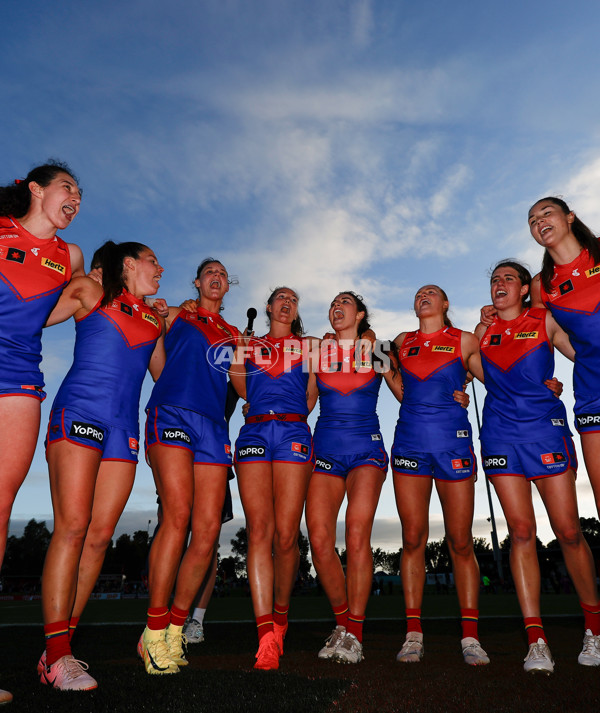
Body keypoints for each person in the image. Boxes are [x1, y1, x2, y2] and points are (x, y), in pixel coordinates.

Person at [39, 241, 165, 691]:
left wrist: (176, 322)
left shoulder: (152, 318)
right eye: (154, 261)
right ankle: (58, 656)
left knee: (97, 539)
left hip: (122, 429)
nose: (161, 268)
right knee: (72, 527)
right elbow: (30, 316)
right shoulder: (90, 293)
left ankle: (59, 650)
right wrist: (70, 280)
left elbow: (165, 378)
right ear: (129, 264)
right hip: (79, 414)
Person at [476, 259, 600, 671]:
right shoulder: (483, 330)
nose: (500, 283)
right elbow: (468, 374)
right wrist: (459, 395)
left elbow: (583, 350)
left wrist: (556, 383)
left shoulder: (544, 318)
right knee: (521, 532)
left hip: (544, 430)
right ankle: (536, 640)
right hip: (499, 434)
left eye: (509, 278)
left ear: (525, 289)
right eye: (495, 279)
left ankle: (594, 629)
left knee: (567, 530)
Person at [0, 162, 84, 704]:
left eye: (79, 193)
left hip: (20, 380)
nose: (75, 197)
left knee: (1, 508)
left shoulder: (70, 257)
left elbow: (50, 310)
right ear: (35, 189)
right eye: (66, 187)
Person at [140, 259, 240, 676]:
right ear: (198, 283)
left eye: (222, 274)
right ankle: (153, 630)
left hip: (213, 427)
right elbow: (146, 343)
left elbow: (245, 385)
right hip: (173, 414)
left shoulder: (235, 335)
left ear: (226, 287)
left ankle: (176, 629)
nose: (216, 277)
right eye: (209, 273)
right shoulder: (177, 313)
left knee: (209, 532)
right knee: (177, 518)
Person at [392, 285, 489, 666]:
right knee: (413, 538)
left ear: (445, 304)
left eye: (432, 293)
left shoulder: (464, 339)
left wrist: (546, 386)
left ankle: (470, 636)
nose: (424, 296)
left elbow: (495, 377)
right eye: (418, 293)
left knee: (461, 542)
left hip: (453, 444)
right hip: (410, 445)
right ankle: (413, 634)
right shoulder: (401, 340)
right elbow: (373, 356)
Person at [306, 292, 404, 664]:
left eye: (344, 302)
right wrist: (264, 404)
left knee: (357, 533)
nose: (336, 306)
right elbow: (306, 403)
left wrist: (456, 392)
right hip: (326, 452)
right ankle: (343, 622)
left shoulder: (376, 348)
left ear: (359, 314)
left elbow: (404, 394)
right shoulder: (319, 352)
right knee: (318, 539)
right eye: (332, 302)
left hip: (366, 451)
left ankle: (356, 635)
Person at [230, 287, 318, 671]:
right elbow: (241, 386)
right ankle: (266, 635)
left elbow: (312, 395)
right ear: (268, 307)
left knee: (286, 535)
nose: (286, 302)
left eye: (293, 299)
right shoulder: (251, 345)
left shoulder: (309, 346)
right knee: (259, 531)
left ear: (295, 310)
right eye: (280, 298)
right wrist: (239, 350)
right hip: (254, 432)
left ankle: (281, 617)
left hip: (293, 433)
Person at [528, 198, 600, 527]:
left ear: (569, 217)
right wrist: (582, 357)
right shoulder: (542, 285)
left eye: (546, 213)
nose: (539, 221)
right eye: (532, 220)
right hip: (591, 390)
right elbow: (549, 333)